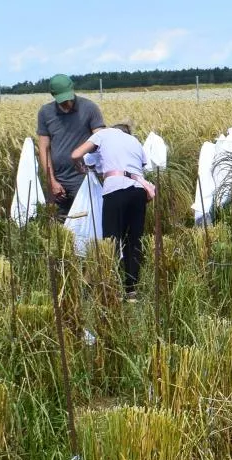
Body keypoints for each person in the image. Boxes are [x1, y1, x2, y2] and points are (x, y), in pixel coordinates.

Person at [70, 122, 155, 296]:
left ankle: (108, 286)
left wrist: (79, 166)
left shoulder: (103, 134)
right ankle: (131, 290)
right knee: (133, 240)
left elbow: (76, 154)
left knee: (111, 239)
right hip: (139, 191)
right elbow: (141, 165)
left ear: (112, 129)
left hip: (115, 189)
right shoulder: (135, 141)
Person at [35, 74, 104, 218]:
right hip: (57, 179)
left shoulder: (89, 108)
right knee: (57, 223)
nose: (67, 102)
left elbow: (101, 139)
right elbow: (44, 148)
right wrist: (51, 181)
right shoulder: (45, 113)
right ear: (53, 95)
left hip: (83, 179)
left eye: (68, 97)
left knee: (86, 220)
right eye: (62, 99)